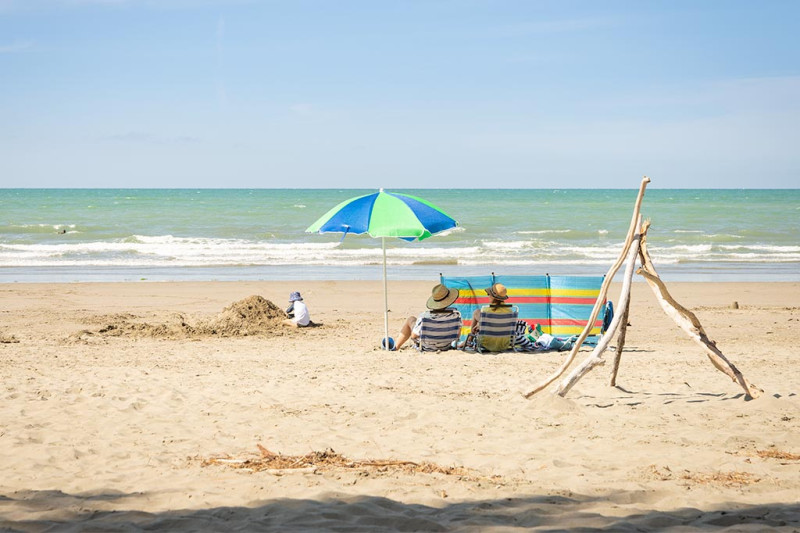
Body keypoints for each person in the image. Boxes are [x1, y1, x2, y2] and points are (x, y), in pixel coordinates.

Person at [394, 283, 461, 351]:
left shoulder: (425, 317)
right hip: (446, 346)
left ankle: (396, 347)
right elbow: (457, 335)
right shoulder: (456, 314)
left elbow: (414, 336)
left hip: (427, 347)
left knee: (411, 319)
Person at [462, 283, 514, 352]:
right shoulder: (510, 311)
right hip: (504, 345)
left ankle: (469, 339)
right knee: (479, 316)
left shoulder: (486, 310)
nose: (488, 296)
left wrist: (479, 325)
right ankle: (469, 339)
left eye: (489, 294)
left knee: (476, 312)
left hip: (486, 344)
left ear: (493, 297)